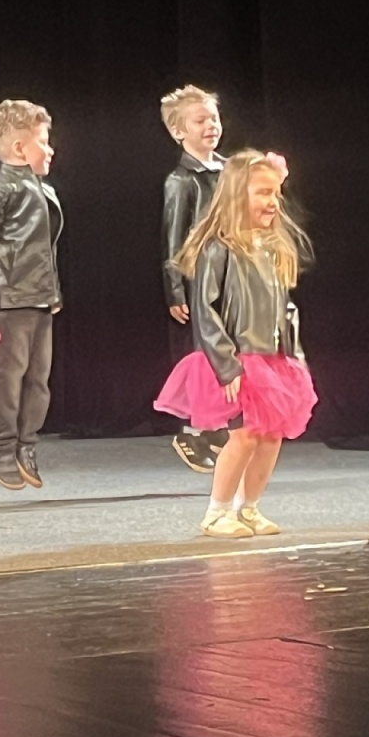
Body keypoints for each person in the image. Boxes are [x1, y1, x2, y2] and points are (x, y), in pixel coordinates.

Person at [155, 150, 316, 538]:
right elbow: (205, 310)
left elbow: (285, 307)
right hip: (237, 360)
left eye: (275, 193)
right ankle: (217, 511)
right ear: (235, 196)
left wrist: (294, 357)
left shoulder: (272, 248)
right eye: (263, 193)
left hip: (273, 359)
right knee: (243, 436)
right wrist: (226, 365)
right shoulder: (219, 248)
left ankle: (249, 507)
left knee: (271, 436)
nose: (272, 202)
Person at [0, 98, 62, 490]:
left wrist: (52, 290)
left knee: (39, 378)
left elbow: (45, 249)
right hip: (10, 299)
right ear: (20, 148)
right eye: (43, 141)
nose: (50, 149)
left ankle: (26, 443)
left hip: (40, 298)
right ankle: (1, 443)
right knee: (9, 375)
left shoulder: (43, 189)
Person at [160, 84, 232, 473]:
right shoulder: (181, 180)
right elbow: (174, 238)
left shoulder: (230, 171)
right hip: (200, 279)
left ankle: (219, 425)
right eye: (200, 120)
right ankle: (194, 429)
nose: (211, 126)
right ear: (179, 131)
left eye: (214, 118)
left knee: (228, 349)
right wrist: (175, 289)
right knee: (203, 353)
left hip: (232, 277)